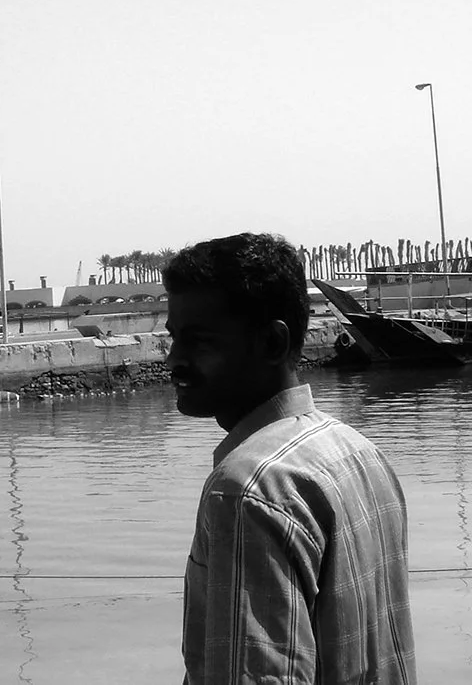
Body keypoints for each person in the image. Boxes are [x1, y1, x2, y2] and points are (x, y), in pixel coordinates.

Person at [164, 233, 414, 684]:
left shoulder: (246, 491)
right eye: (174, 338)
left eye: (198, 341)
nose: (173, 359)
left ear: (272, 344)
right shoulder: (359, 451)